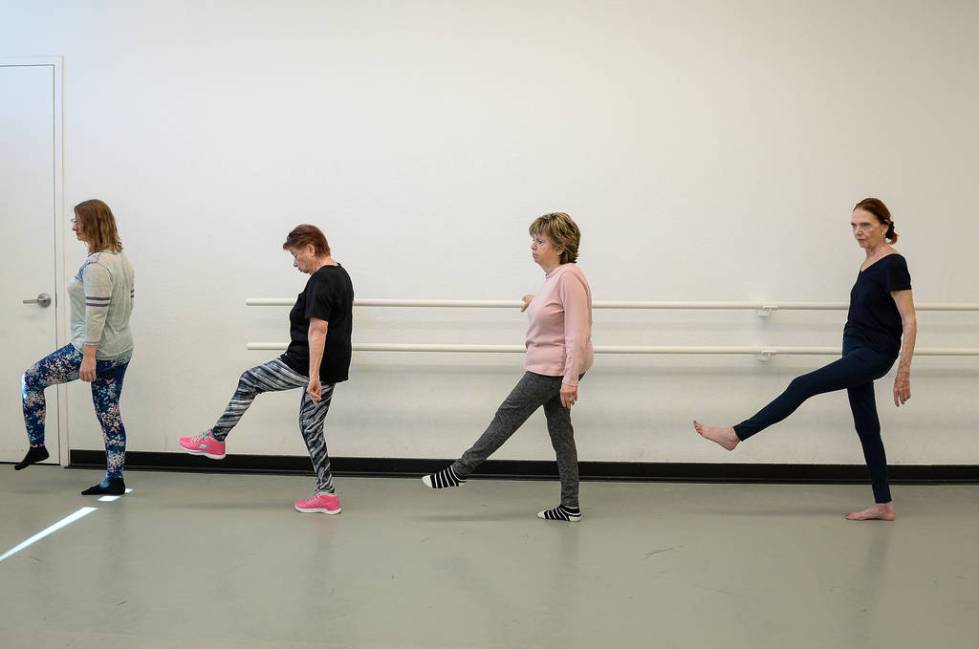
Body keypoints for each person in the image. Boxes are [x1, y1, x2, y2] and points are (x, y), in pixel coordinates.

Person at [694, 198, 917, 521]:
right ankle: (883, 504)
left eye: (865, 225)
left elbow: (909, 320)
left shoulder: (893, 263)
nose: (857, 231)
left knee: (803, 384)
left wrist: (903, 372)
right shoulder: (868, 261)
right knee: (867, 425)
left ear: (884, 225)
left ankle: (735, 434)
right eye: (853, 225)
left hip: (875, 352)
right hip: (854, 345)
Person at [422, 212, 594, 522]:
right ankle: (570, 505)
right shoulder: (556, 278)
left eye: (540, 241)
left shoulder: (568, 277)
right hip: (553, 366)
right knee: (561, 434)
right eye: (533, 239)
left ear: (559, 246)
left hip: (553, 369)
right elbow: (554, 309)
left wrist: (570, 381)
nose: (533, 246)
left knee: (507, 414)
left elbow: (577, 333)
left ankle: (460, 471)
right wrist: (535, 298)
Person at [178, 224, 353, 514]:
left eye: (297, 256)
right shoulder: (341, 274)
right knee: (310, 427)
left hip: (306, 363)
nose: (295, 264)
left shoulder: (322, 280)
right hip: (329, 367)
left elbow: (318, 330)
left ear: (311, 249)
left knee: (249, 380)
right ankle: (327, 494)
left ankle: (215, 439)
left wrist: (312, 376)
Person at [18, 199, 135, 496]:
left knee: (31, 379)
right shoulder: (120, 258)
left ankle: (37, 446)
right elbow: (128, 302)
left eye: (77, 221)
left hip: (93, 349)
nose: (73, 226)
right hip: (121, 348)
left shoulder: (96, 266)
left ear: (91, 224)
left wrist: (89, 357)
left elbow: (97, 314)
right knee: (108, 412)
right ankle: (115, 478)